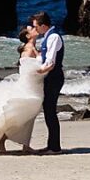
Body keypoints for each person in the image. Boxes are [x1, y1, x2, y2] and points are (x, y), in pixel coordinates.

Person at [29, 10, 65, 154]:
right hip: (50, 78)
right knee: (48, 111)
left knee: (50, 112)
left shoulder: (53, 37)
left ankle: (55, 147)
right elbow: (44, 59)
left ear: (43, 25)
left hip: (54, 78)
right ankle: (51, 145)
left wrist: (39, 71)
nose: (35, 29)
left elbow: (50, 62)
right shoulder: (47, 37)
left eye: (36, 26)